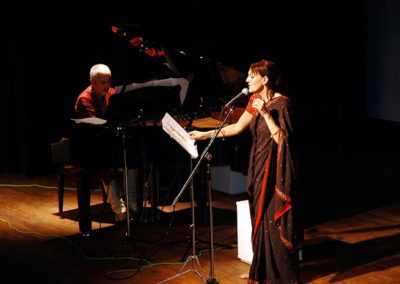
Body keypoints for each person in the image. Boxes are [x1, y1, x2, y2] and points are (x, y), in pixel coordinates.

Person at [189, 59, 303, 283]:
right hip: (258, 165)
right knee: (259, 219)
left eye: (252, 76)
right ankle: (261, 271)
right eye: (248, 76)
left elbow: (282, 139)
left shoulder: (282, 103)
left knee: (272, 217)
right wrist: (204, 135)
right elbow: (236, 128)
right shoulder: (254, 100)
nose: (248, 79)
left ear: (265, 79)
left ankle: (281, 275)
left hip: (276, 171)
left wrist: (266, 114)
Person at [74, 63, 138, 222]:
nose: (107, 85)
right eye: (103, 82)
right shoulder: (84, 99)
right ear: (92, 82)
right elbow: (97, 126)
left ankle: (133, 206)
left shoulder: (112, 93)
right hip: (90, 145)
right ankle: (120, 210)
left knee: (132, 161)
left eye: (108, 81)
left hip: (109, 140)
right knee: (106, 166)